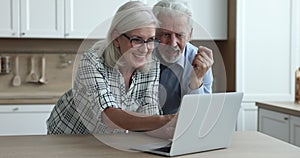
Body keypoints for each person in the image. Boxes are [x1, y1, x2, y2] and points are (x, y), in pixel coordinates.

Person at [47, 1, 176, 135]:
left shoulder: (152, 64)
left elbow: (149, 114)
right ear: (116, 38)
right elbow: (108, 116)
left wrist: (171, 132)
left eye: (150, 40)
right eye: (137, 39)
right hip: (69, 135)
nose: (145, 49)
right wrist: (166, 120)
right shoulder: (92, 60)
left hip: (108, 139)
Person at [152, 0, 214, 114]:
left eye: (179, 35)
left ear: (190, 34)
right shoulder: (143, 54)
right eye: (166, 34)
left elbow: (201, 114)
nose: (172, 44)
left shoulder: (201, 62)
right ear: (154, 32)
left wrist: (196, 80)